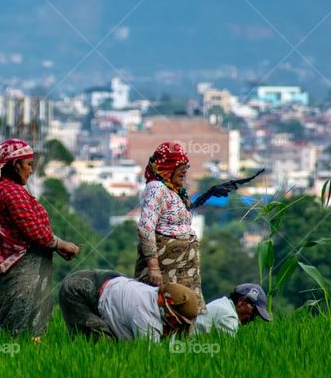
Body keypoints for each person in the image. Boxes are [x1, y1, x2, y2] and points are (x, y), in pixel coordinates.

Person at [0, 138, 81, 339]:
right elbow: (35, 232)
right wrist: (63, 245)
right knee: (20, 321)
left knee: (11, 323)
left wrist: (55, 245)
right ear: (16, 165)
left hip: (11, 264)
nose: (31, 170)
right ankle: (17, 357)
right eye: (28, 164)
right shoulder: (12, 193)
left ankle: (18, 356)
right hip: (22, 265)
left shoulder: (0, 188)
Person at [134, 141, 207, 314]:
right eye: (179, 166)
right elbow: (145, 227)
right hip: (164, 270)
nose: (184, 170)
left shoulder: (174, 191)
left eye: (185, 166)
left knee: (186, 311)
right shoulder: (156, 188)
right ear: (167, 167)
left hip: (183, 271)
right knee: (163, 311)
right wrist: (153, 267)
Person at [58, 270, 198, 342]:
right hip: (79, 290)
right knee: (103, 346)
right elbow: (148, 359)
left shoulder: (155, 296)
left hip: (108, 280)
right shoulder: (146, 317)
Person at [194, 283, 272, 336]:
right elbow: (227, 350)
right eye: (254, 312)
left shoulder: (221, 304)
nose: (253, 318)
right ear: (241, 302)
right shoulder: (228, 314)